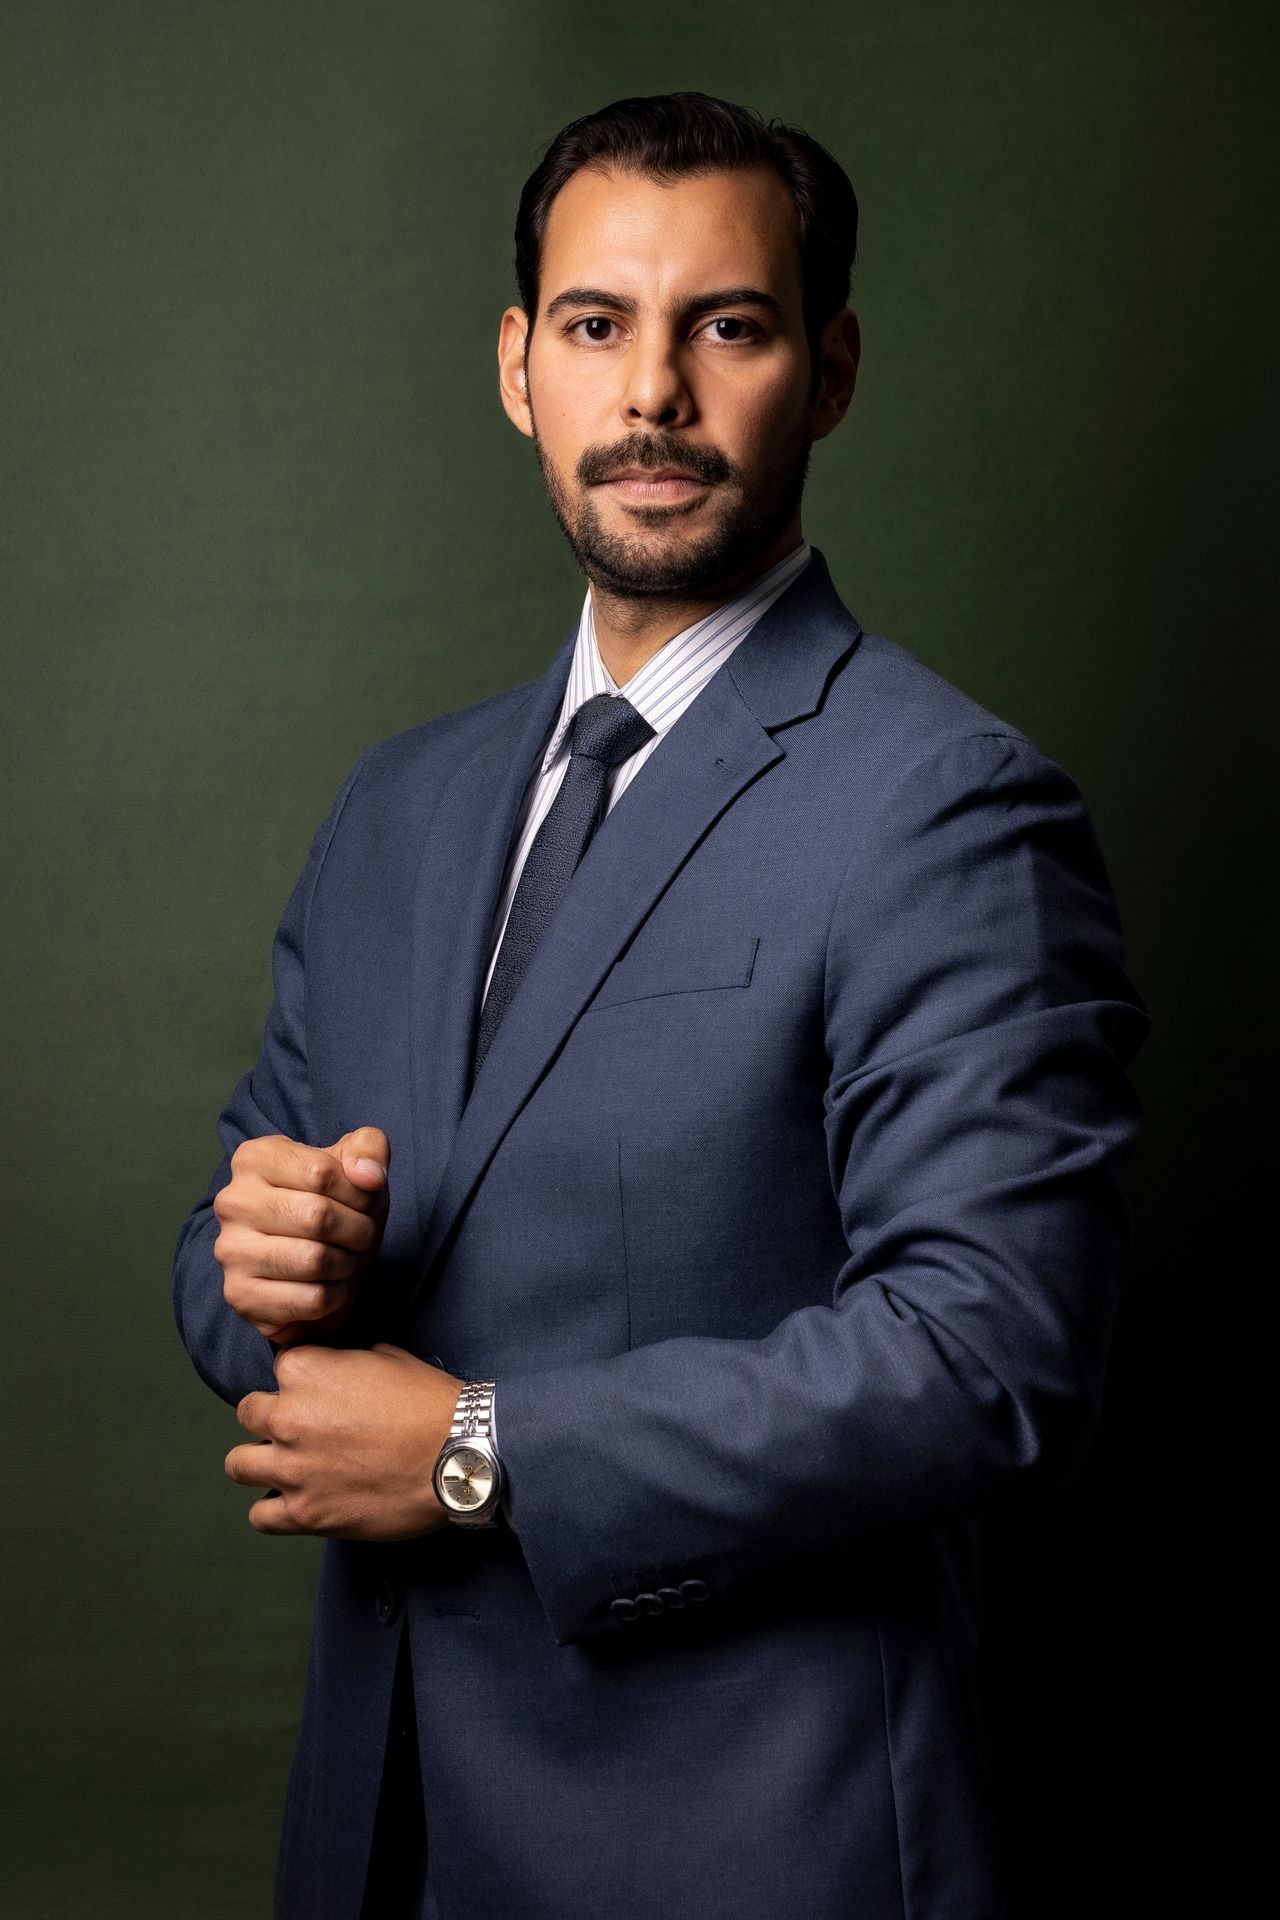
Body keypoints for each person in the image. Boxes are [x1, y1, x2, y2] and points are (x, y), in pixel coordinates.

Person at [172, 89, 1151, 1920]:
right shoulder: (397, 809)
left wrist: (482, 1455)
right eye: (596, 324)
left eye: (731, 326)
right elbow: (231, 1247)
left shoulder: (944, 804)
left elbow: (996, 1352)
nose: (653, 398)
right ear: (516, 367)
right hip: (378, 1837)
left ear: (832, 369)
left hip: (743, 1849)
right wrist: (258, 1261)